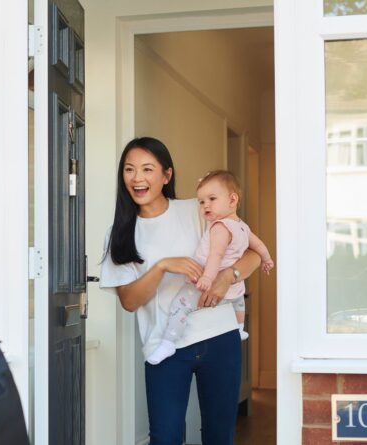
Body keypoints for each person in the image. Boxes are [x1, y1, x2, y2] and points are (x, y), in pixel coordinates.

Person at [100, 137, 261, 445]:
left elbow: (252, 251)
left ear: (166, 175)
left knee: (219, 436)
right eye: (129, 170)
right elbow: (129, 301)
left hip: (219, 338)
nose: (137, 178)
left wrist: (229, 276)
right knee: (165, 437)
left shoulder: (198, 210)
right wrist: (161, 266)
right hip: (165, 347)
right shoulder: (120, 233)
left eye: (147, 169)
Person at [148, 169, 274, 365]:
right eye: (201, 201)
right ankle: (240, 328)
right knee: (238, 301)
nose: (205, 206)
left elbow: (216, 255)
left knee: (179, 306)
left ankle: (168, 343)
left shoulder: (219, 228)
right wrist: (267, 260)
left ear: (232, 200)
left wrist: (207, 278)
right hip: (233, 286)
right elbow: (258, 246)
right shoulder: (243, 227)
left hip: (206, 279)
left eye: (212, 199)